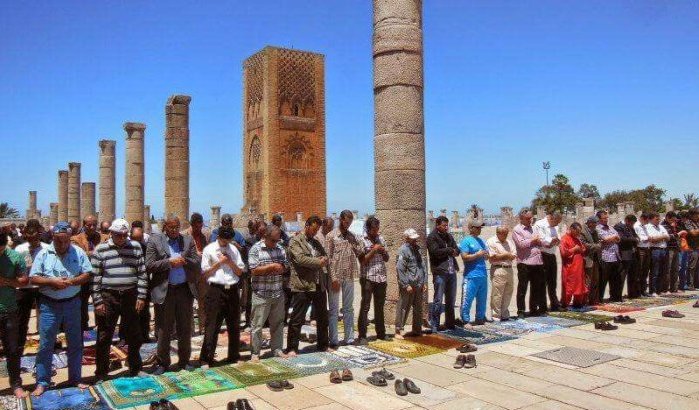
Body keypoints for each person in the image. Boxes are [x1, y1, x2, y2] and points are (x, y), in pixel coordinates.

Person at [29, 222, 92, 396]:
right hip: (49, 304)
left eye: (65, 241)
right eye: (59, 241)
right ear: (53, 238)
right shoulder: (43, 254)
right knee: (46, 344)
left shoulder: (78, 252)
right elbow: (33, 278)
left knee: (75, 343)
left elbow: (87, 274)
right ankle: (42, 381)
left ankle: (75, 378)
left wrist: (72, 281)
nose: (62, 244)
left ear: (70, 238)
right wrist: (51, 282)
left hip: (72, 303)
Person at [90, 219, 148, 381]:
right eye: (118, 235)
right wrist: (97, 301)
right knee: (104, 335)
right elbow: (95, 278)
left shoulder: (135, 247)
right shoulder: (101, 249)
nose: (122, 238)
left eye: (124, 235)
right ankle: (101, 372)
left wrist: (141, 296)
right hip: (109, 296)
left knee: (134, 334)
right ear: (111, 234)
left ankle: (135, 367)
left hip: (131, 295)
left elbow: (142, 273)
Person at [146, 216, 200, 375]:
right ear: (165, 227)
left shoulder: (188, 240)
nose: (175, 230)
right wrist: (169, 263)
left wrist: (185, 260)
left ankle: (184, 361)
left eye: (177, 227)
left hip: (184, 290)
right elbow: (149, 265)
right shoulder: (155, 241)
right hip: (165, 290)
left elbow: (197, 262)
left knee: (185, 327)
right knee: (164, 328)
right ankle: (163, 362)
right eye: (171, 227)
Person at [199, 226, 245, 368]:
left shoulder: (234, 250)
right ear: (219, 237)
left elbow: (239, 272)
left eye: (228, 240)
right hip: (216, 290)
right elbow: (205, 273)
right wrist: (219, 263)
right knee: (212, 325)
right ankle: (206, 358)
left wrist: (229, 262)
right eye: (224, 240)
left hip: (232, 290)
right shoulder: (209, 250)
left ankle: (233, 355)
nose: (226, 243)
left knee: (234, 324)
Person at [287, 216, 331, 355]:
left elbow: (325, 256)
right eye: (313, 229)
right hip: (303, 284)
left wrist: (324, 259)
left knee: (322, 317)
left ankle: (323, 345)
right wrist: (318, 262)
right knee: (297, 318)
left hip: (318, 283)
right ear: (307, 226)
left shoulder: (316, 242)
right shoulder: (295, 241)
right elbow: (300, 259)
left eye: (317, 230)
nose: (315, 232)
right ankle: (292, 348)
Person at [247, 225, 289, 361]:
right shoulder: (255, 249)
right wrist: (271, 267)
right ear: (265, 237)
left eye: (277, 240)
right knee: (257, 325)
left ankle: (277, 349)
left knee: (278, 323)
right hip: (261, 294)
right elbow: (253, 270)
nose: (275, 243)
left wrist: (282, 268)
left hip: (277, 292)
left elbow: (286, 265)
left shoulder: (280, 248)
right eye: (273, 240)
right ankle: (255, 352)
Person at [327, 210, 363, 347]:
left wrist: (358, 243)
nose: (348, 225)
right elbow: (328, 259)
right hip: (336, 277)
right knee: (334, 310)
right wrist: (333, 279)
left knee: (348, 308)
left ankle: (349, 338)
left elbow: (360, 252)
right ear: (341, 220)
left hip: (349, 275)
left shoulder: (352, 236)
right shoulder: (331, 236)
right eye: (347, 222)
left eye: (350, 222)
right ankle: (334, 340)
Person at [0, 232, 29, 398]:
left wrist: (6, 281)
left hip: (9, 310)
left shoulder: (15, 257)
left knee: (12, 349)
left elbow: (24, 280)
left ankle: (16, 384)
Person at [13, 220, 48, 354]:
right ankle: (19, 347)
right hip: (24, 288)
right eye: (30, 238)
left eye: (35, 238)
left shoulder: (47, 248)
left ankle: (46, 346)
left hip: (41, 287)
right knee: (21, 319)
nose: (32, 240)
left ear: (39, 235)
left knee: (45, 318)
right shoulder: (20, 249)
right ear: (25, 236)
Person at [71, 214, 108, 332]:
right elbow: (78, 255)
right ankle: (83, 327)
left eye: (94, 225)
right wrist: (98, 252)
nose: (92, 227)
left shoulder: (104, 237)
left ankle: (101, 325)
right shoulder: (75, 239)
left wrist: (89, 253)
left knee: (101, 302)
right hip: (83, 277)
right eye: (89, 225)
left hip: (100, 276)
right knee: (82, 303)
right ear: (83, 225)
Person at [357, 216, 388, 344]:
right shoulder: (361, 240)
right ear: (368, 229)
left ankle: (381, 333)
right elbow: (362, 261)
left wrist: (383, 251)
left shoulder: (381, 239)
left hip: (381, 277)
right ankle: (362, 336)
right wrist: (374, 250)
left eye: (377, 229)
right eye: (374, 229)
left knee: (379, 307)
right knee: (365, 307)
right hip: (368, 278)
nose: (376, 232)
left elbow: (387, 259)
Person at [426, 216, 460, 332]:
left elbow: (457, 250)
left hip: (451, 271)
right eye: (444, 225)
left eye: (447, 225)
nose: (446, 227)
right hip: (440, 272)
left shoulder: (449, 236)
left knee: (451, 299)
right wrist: (449, 250)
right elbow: (435, 252)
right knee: (438, 300)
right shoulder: (432, 237)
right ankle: (435, 325)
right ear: (437, 225)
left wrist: (453, 250)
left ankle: (450, 323)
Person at [512, 208, 546, 317]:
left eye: (531, 218)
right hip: (524, 263)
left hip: (537, 262)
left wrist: (542, 242)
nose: (530, 220)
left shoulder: (534, 228)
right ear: (521, 218)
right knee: (523, 288)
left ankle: (533, 309)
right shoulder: (517, 230)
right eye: (527, 218)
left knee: (536, 287)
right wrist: (533, 240)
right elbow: (521, 244)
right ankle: (521, 311)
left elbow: (540, 241)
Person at [395, 228, 426, 339]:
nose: (415, 240)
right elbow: (400, 269)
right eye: (412, 239)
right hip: (408, 284)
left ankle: (417, 330)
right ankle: (398, 330)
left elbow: (422, 266)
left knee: (418, 308)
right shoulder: (403, 250)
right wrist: (405, 284)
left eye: (415, 238)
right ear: (407, 238)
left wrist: (424, 282)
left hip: (418, 283)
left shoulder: (418, 249)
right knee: (403, 307)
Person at [183, 212, 210, 335]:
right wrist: (196, 254)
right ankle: (190, 330)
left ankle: (203, 327)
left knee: (203, 301)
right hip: (188, 273)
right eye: (196, 227)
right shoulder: (183, 235)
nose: (199, 229)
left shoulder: (204, 236)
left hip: (201, 273)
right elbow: (181, 254)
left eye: (200, 226)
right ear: (192, 224)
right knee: (188, 302)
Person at [459, 220, 489, 325]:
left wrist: (486, 255)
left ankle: (480, 318)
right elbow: (464, 257)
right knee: (467, 299)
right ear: (471, 228)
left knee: (482, 299)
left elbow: (486, 255)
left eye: (480, 228)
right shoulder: (466, 241)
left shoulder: (481, 241)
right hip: (471, 275)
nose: (480, 229)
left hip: (483, 274)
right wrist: (477, 255)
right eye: (477, 227)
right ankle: (465, 320)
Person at [533, 210, 563, 312]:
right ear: (551, 218)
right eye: (556, 221)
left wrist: (554, 241)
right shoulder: (539, 224)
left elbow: (558, 239)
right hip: (542, 255)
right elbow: (541, 239)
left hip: (552, 255)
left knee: (553, 281)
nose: (557, 224)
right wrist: (551, 241)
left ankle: (554, 304)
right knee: (542, 282)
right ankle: (542, 306)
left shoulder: (556, 226)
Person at [486, 226, 516, 321]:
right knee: (497, 293)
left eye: (507, 234)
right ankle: (496, 316)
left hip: (509, 269)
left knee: (508, 292)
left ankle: (504, 314)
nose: (506, 236)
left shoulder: (509, 242)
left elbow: (513, 256)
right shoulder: (491, 241)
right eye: (504, 234)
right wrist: (506, 255)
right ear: (498, 233)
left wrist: (501, 255)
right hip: (498, 269)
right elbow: (492, 257)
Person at [129, 226, 152, 342]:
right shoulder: (126, 248)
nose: (137, 242)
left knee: (144, 311)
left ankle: (144, 334)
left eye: (139, 239)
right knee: (128, 312)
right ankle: (126, 336)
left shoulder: (146, 248)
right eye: (135, 239)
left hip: (143, 283)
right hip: (129, 285)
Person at [559, 223, 587, 308]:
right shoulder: (564, 239)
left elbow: (582, 249)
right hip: (570, 267)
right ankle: (565, 304)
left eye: (579, 232)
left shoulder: (577, 239)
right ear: (571, 229)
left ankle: (577, 303)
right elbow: (563, 253)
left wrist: (582, 249)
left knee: (579, 285)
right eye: (577, 231)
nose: (578, 234)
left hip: (579, 267)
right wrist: (574, 249)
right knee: (569, 286)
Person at [614, 215, 640, 298]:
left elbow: (636, 236)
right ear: (626, 220)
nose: (632, 225)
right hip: (624, 252)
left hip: (632, 252)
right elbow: (622, 238)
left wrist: (635, 238)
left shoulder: (630, 227)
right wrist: (634, 239)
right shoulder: (619, 226)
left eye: (633, 224)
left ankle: (632, 294)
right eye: (631, 223)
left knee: (633, 273)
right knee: (622, 274)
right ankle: (617, 296)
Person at [646, 212, 670, 297]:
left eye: (659, 219)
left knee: (662, 271)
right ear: (651, 219)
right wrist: (663, 237)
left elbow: (668, 237)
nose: (658, 220)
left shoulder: (661, 226)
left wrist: (660, 237)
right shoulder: (648, 227)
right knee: (654, 271)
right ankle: (653, 290)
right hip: (655, 250)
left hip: (663, 249)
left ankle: (659, 290)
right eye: (656, 219)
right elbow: (652, 239)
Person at [661, 211, 684, 294]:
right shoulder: (663, 225)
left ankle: (674, 288)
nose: (674, 221)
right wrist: (678, 234)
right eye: (672, 220)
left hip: (675, 248)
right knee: (667, 269)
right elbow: (669, 237)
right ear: (667, 217)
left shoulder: (672, 225)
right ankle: (665, 289)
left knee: (675, 269)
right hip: (668, 249)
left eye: (675, 220)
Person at [580, 216, 601, 305]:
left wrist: (598, 245)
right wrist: (596, 246)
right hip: (587, 258)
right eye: (595, 223)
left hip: (596, 258)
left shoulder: (595, 231)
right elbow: (583, 243)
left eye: (596, 223)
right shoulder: (583, 231)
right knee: (587, 280)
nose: (596, 225)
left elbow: (599, 241)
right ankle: (585, 300)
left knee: (595, 280)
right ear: (590, 223)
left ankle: (593, 300)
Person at [634, 212, 652, 296]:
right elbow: (638, 238)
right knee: (639, 270)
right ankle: (638, 291)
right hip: (640, 249)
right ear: (642, 218)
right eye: (647, 221)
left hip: (647, 248)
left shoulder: (644, 226)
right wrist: (647, 238)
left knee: (645, 271)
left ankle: (643, 290)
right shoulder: (636, 226)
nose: (647, 223)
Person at [681, 209, 699, 290]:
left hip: (697, 247)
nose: (698, 216)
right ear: (691, 215)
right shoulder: (688, 223)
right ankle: (690, 284)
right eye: (696, 214)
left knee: (697, 267)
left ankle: (696, 284)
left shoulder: (697, 222)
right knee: (692, 267)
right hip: (692, 248)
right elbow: (693, 233)